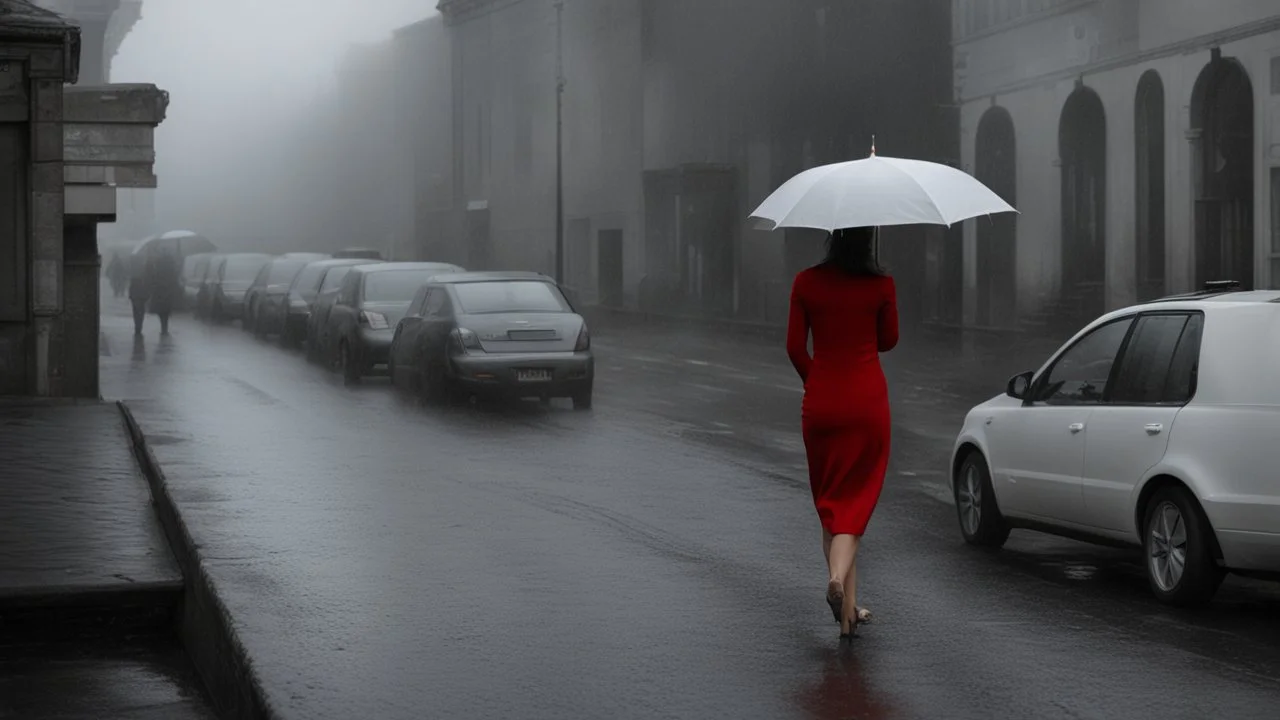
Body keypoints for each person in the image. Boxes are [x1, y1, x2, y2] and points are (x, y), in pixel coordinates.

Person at [786, 226, 899, 640]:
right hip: (867, 404)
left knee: (831, 503)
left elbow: (795, 348)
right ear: (868, 239)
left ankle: (848, 614)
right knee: (855, 504)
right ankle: (836, 579)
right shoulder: (881, 284)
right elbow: (889, 340)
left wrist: (816, 382)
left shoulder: (805, 282)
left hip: (821, 405)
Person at [148, 251, 180, 335]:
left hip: (159, 292)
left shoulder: (158, 268)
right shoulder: (171, 269)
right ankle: (164, 328)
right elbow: (175, 280)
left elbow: (153, 280)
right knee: (166, 310)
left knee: (161, 311)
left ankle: (163, 327)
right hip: (168, 292)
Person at [128, 254, 152, 336]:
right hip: (141, 296)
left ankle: (137, 327)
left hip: (136, 296)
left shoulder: (134, 273)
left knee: (136, 312)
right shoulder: (143, 272)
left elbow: (131, 286)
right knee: (141, 312)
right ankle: (139, 327)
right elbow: (146, 285)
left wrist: (131, 296)